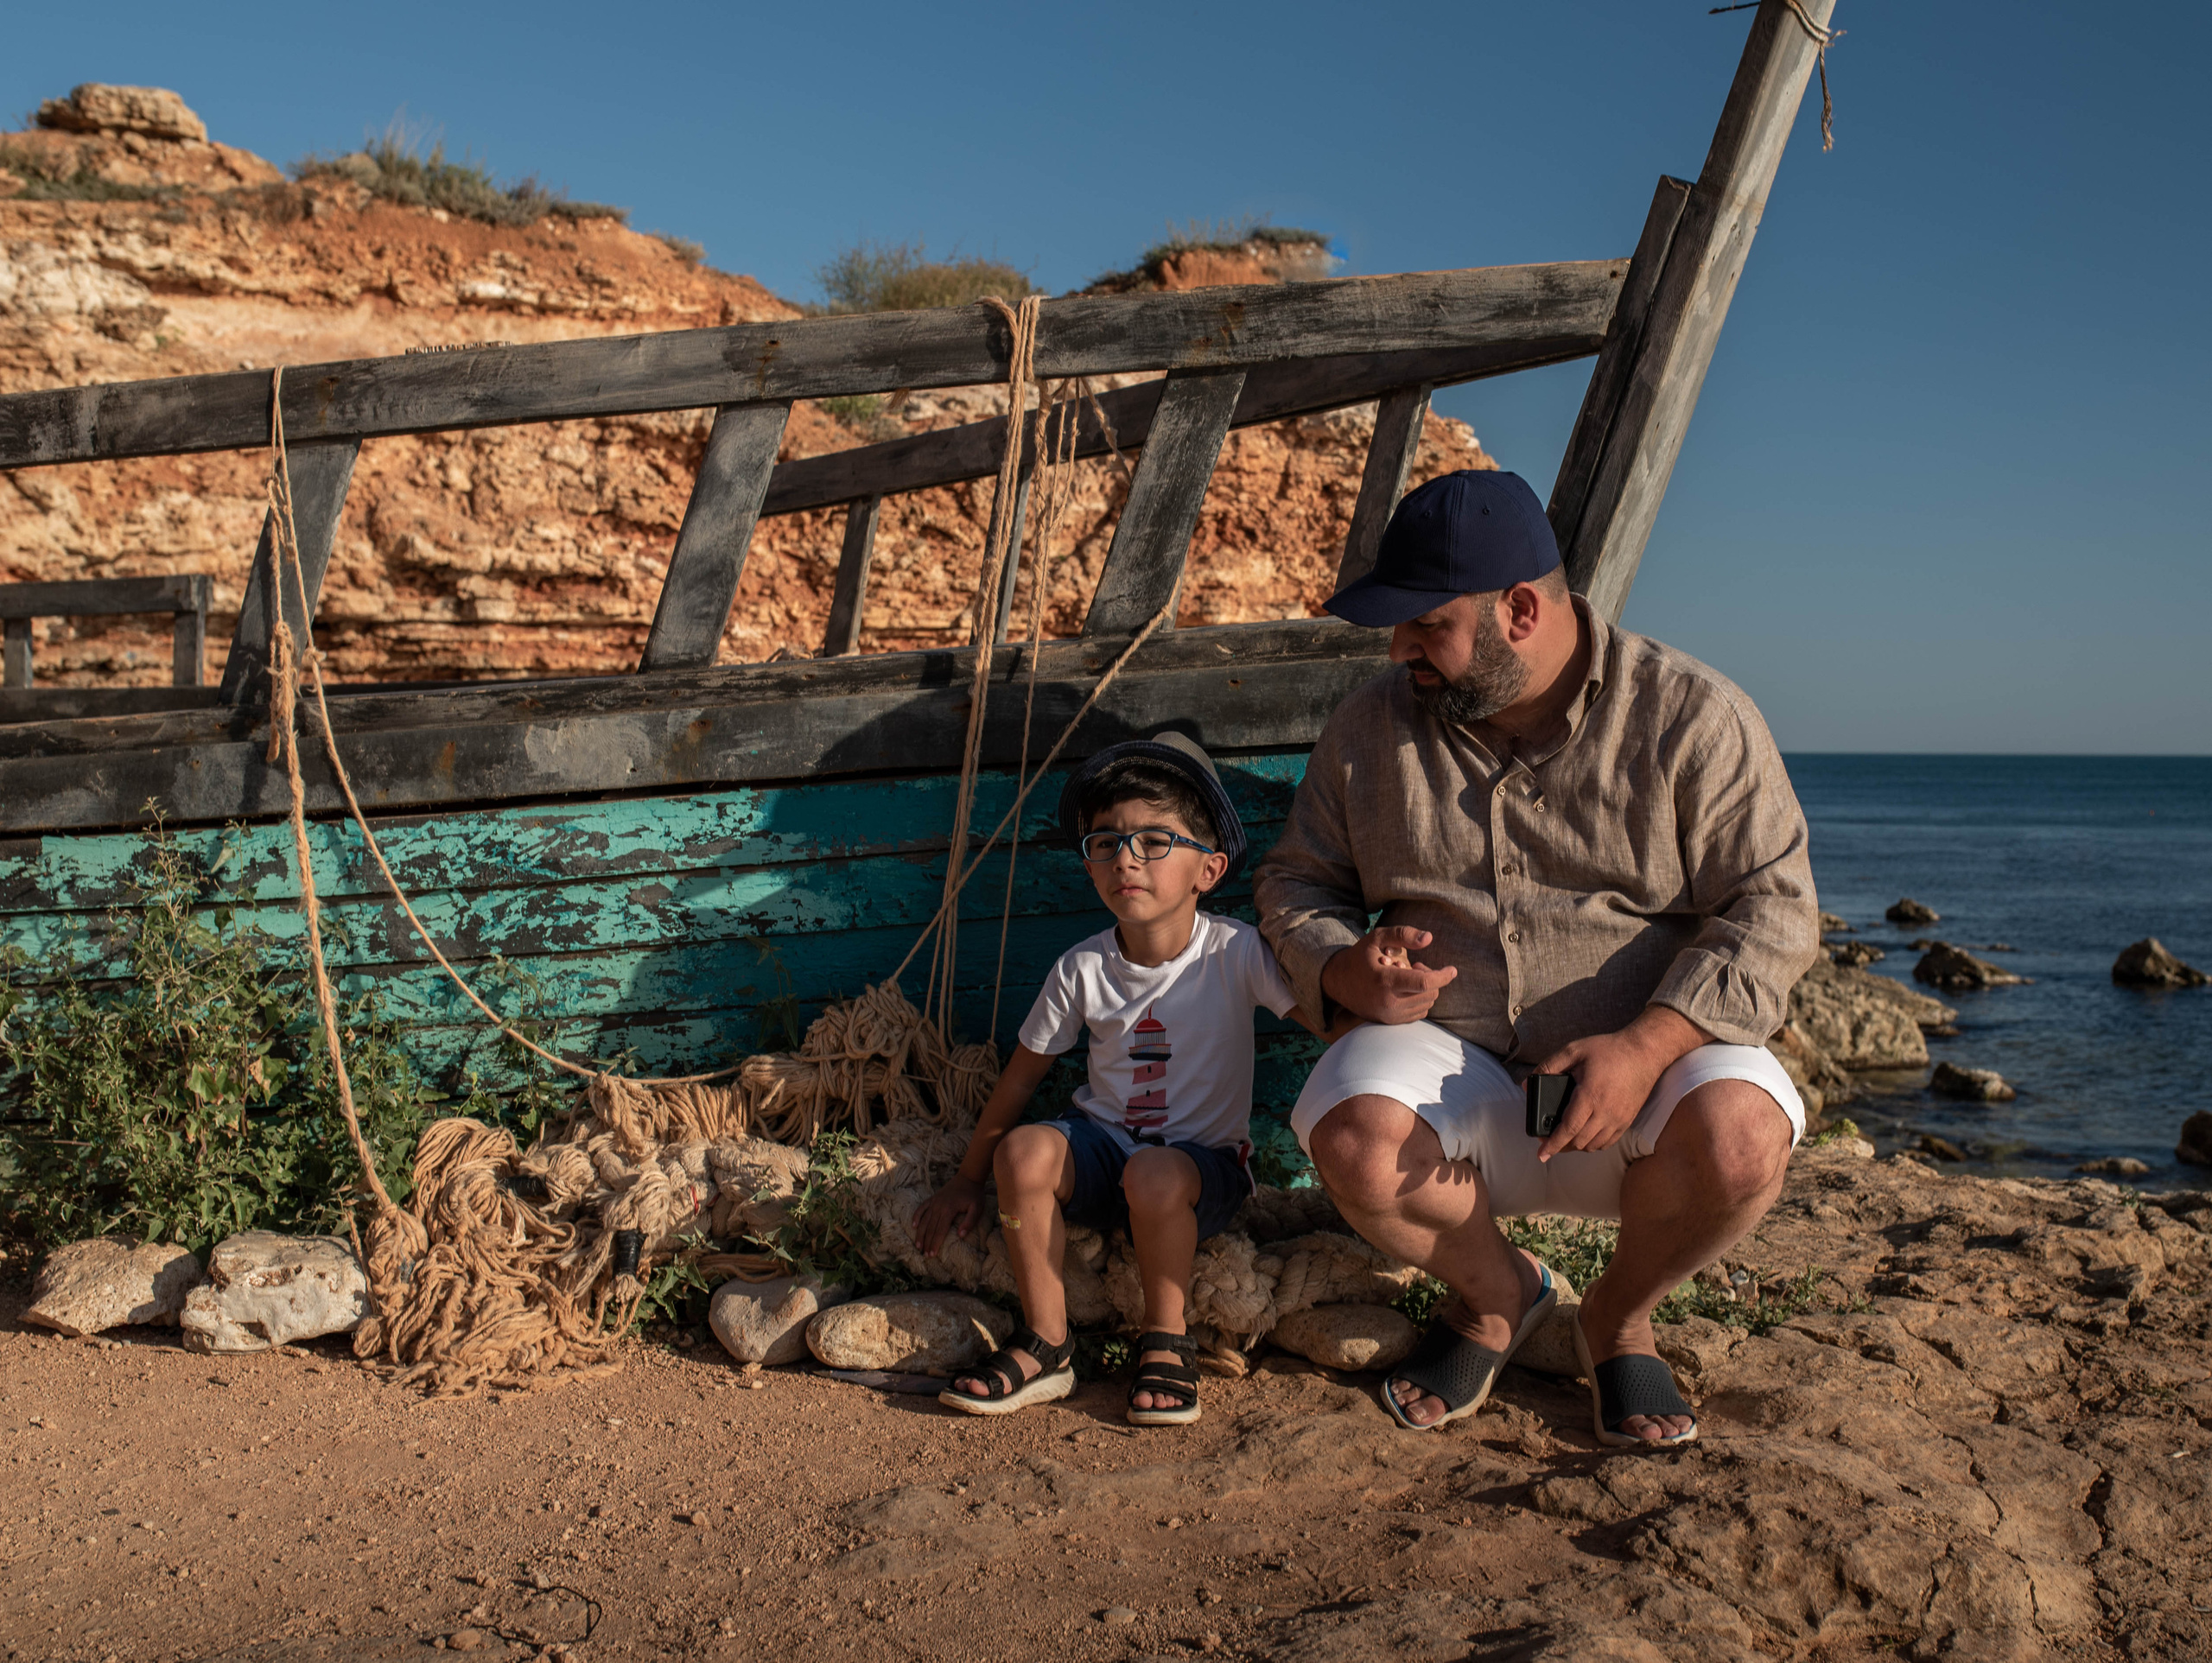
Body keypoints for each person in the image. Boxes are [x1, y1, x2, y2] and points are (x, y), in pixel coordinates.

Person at [1253, 469, 1819, 1445]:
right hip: (1455, 1067)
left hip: (1648, 1085)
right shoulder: (1367, 727)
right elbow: (1295, 883)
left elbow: (1774, 908)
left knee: (1740, 1138)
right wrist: (1345, 970)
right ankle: (1496, 1295)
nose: (1398, 652)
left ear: (1518, 609)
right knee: (1351, 1138)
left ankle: (1618, 1317)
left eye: (1423, 626)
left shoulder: (1694, 717)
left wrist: (1645, 1045)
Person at [914, 732, 1332, 1425]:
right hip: (1104, 1158)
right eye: (1105, 842)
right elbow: (1019, 1081)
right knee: (1024, 1151)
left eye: (1154, 840)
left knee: (1158, 1176)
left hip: (1202, 1174)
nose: (1125, 859)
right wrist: (967, 1179)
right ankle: (1047, 1341)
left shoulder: (1236, 951)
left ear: (1210, 868)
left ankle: (1166, 1335)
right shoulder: (1081, 969)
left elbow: (1324, 1021)